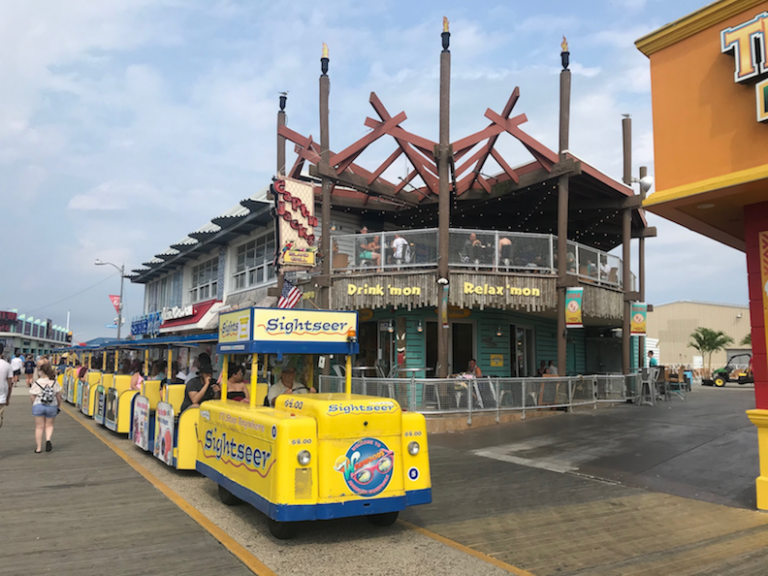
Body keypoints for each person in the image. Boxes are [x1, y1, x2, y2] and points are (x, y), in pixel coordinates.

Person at [30, 363, 62, 453]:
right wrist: (58, 405)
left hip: (39, 405)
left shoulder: (37, 382)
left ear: (41, 372)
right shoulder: (54, 382)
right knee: (49, 425)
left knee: (39, 427)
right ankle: (48, 439)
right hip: (52, 406)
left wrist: (34, 404)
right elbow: (58, 395)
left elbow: (32, 395)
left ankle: (38, 448)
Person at [0, 344, 13, 429]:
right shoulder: (7, 365)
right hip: (1, 397)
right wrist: (8, 398)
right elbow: (9, 385)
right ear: (2, 352)